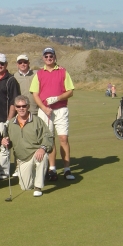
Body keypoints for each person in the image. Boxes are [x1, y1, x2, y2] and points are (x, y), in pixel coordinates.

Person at [30, 47, 75, 180]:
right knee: (49, 140)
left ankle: (67, 169)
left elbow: (70, 92)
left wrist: (57, 98)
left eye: (51, 56)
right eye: (46, 56)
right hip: (45, 111)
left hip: (60, 109)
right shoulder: (39, 74)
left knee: (63, 139)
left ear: (55, 57)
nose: (49, 58)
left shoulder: (63, 72)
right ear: (43, 58)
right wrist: (43, 108)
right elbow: (35, 94)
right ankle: (52, 168)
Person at [2, 95, 53, 197]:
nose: (21, 108)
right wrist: (5, 142)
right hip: (22, 159)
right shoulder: (10, 124)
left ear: (28, 106)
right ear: (15, 107)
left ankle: (38, 187)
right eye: (19, 106)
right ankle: (36, 175)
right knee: (26, 186)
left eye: (24, 106)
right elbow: (8, 142)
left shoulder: (37, 121)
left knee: (43, 157)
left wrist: (43, 148)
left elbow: (48, 136)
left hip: (35, 153)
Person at [0, 53, 20, 179]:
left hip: (4, 118)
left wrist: (9, 119)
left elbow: (14, 101)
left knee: (4, 145)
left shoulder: (11, 80)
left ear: (6, 65)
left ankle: (4, 171)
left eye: (2, 64)